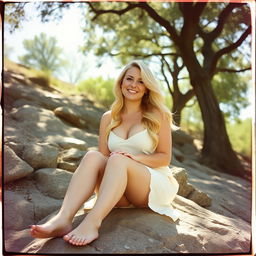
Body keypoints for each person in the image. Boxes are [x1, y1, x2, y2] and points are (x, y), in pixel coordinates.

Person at [30, 60, 179, 246]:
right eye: (129, 79)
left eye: (140, 81)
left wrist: (134, 158)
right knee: (93, 156)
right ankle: (63, 219)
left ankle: (92, 223)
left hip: (150, 184)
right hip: (117, 190)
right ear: (121, 82)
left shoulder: (158, 115)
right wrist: (116, 162)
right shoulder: (108, 117)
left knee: (117, 159)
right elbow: (103, 159)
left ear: (147, 88)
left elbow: (164, 157)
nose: (133, 85)